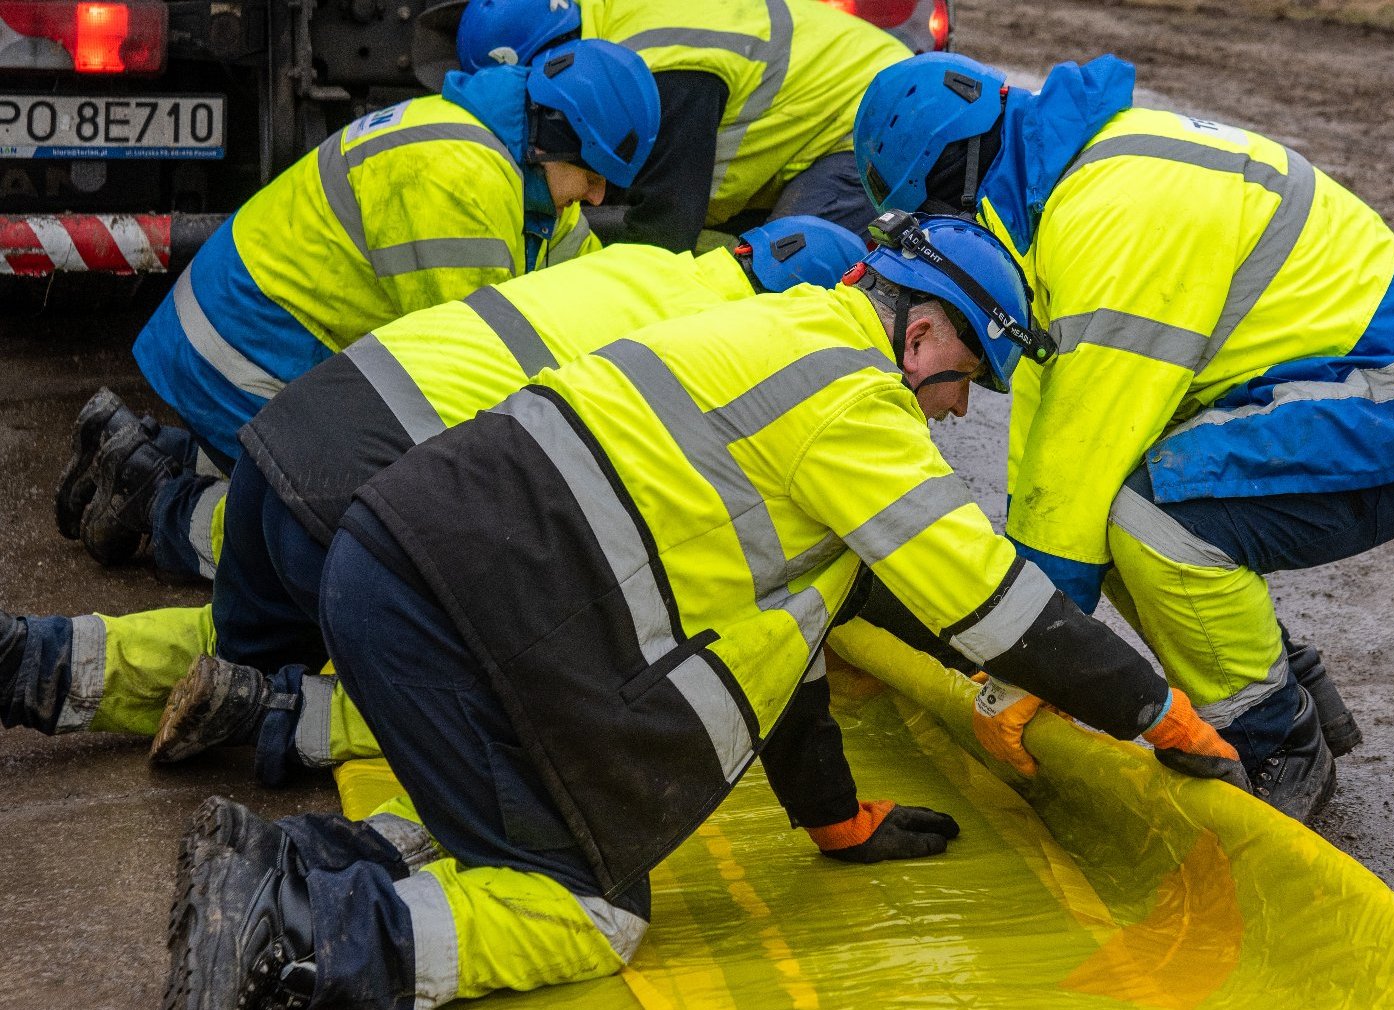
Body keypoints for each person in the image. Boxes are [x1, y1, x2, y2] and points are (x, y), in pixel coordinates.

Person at [165, 212, 1246, 1009]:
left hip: (390, 566)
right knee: (589, 908)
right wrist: (1153, 706)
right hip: (453, 616)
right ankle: (290, 938)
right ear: (921, 335)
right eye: (969, 375)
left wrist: (832, 816)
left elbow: (790, 644)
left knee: (514, 826)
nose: (961, 406)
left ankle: (275, 867)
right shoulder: (853, 403)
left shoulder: (769, 335)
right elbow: (989, 605)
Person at [851, 53, 1394, 821]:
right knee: (1119, 514)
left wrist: (1025, 665)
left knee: (1142, 515)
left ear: (952, 180)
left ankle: (1276, 741)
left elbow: (1079, 474)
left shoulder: (1108, 215)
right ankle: (1290, 681)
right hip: (1364, 388)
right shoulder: (1063, 196)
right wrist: (1026, 621)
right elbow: (1047, 449)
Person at [0, 218, 867, 775]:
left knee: (235, 641)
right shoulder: (712, 356)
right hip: (369, 504)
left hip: (287, 441)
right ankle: (288, 722)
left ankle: (37, 660)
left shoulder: (645, 262)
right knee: (542, 693)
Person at [54, 38, 661, 583]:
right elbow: (471, 378)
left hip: (245, 332)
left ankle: (137, 451)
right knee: (350, 541)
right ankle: (159, 504)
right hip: (243, 349)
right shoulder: (461, 179)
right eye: (593, 174)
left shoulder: (516, 172)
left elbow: (592, 285)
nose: (599, 195)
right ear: (554, 136)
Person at [455, 0, 910, 251]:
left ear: (551, 59)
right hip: (829, 108)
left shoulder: (662, 69)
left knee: (783, 271)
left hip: (870, 121)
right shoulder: (610, 25)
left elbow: (663, 231)